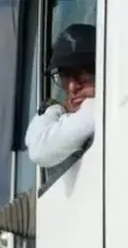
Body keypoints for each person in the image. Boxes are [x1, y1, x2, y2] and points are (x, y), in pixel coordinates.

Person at [26, 23, 97, 182]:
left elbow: (38, 149)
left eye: (83, 74)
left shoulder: (96, 108)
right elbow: (31, 141)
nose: (72, 86)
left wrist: (56, 109)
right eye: (65, 77)